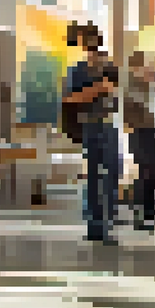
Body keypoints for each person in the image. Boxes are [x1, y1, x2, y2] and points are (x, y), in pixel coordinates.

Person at [63, 23, 121, 244]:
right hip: (90, 125)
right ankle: (95, 225)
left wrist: (97, 90)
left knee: (112, 173)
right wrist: (96, 90)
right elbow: (69, 98)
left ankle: (108, 222)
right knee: (95, 177)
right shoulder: (77, 70)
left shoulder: (110, 66)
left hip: (108, 124)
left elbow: (113, 91)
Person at [123, 51, 155, 231]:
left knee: (153, 170)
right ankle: (144, 212)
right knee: (147, 170)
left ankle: (149, 211)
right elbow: (134, 108)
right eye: (144, 65)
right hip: (140, 132)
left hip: (149, 130)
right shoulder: (131, 85)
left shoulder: (146, 86)